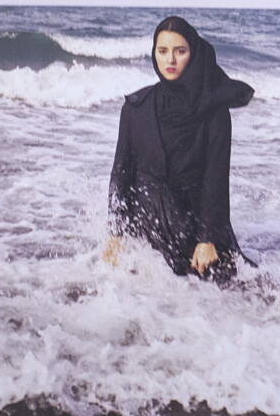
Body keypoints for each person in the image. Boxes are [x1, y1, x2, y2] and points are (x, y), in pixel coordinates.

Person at [106, 15, 253, 279]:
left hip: (195, 228)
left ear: (193, 54)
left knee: (242, 290)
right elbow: (121, 174)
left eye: (180, 51)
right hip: (147, 228)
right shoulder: (135, 108)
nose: (170, 60)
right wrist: (116, 233)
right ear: (154, 54)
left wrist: (207, 239)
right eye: (162, 51)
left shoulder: (214, 112)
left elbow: (215, 179)